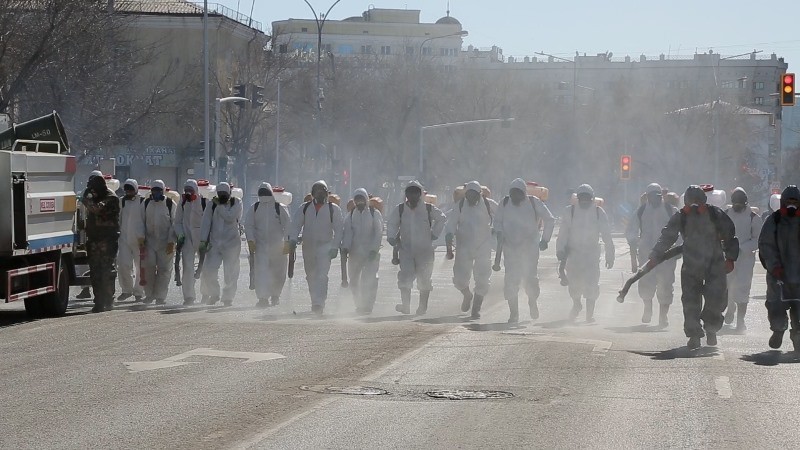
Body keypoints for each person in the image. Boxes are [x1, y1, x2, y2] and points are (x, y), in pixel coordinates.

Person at [649, 185, 738, 349]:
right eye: (692, 203)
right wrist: (656, 254)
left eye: (698, 202)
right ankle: (694, 334)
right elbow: (667, 236)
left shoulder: (715, 214)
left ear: (704, 201)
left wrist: (730, 258)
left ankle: (711, 329)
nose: (695, 206)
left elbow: (730, 235)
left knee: (716, 299)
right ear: (686, 203)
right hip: (691, 264)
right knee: (690, 301)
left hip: (715, 263)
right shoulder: (681, 216)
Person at [494, 178, 555, 323]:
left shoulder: (534, 202)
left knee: (530, 278)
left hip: (530, 249)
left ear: (523, 193)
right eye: (513, 193)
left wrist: (545, 240)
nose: (515, 196)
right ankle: (514, 314)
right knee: (511, 280)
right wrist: (499, 231)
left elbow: (550, 219)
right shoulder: (504, 203)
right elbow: (497, 221)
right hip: (510, 249)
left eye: (518, 193)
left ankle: (532, 302)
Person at [386, 180, 447, 315]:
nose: (412, 195)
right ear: (406, 194)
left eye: (415, 192)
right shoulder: (400, 209)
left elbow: (442, 218)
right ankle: (406, 306)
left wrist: (435, 234)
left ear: (420, 194)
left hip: (425, 250)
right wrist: (391, 237)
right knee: (405, 277)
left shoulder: (428, 209)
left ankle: (422, 307)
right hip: (406, 249)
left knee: (424, 278)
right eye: (410, 192)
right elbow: (391, 224)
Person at [556, 184, 614, 323]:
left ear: (592, 198)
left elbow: (606, 235)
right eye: (582, 197)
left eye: (587, 197)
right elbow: (563, 232)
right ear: (578, 198)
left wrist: (610, 254)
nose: (584, 200)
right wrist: (560, 250)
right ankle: (577, 304)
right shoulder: (569, 212)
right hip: (574, 254)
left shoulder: (599, 212)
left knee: (592, 283)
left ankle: (589, 315)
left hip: (591, 255)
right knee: (573, 283)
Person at [625, 183, 678, 326]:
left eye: (658, 196)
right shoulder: (641, 211)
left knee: (666, 285)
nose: (655, 199)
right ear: (647, 197)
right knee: (646, 283)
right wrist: (633, 249)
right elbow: (631, 231)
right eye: (652, 196)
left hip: (666, 255)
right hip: (646, 254)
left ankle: (663, 316)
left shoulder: (670, 210)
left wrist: (678, 248)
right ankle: (647, 309)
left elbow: (680, 229)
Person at [289, 180, 343, 315]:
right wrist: (293, 240)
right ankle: (315, 301)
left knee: (322, 276)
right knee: (311, 276)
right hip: (308, 247)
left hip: (326, 247)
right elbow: (296, 225)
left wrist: (335, 247)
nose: (319, 194)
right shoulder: (305, 208)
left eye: (322, 191)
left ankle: (319, 303)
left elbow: (339, 230)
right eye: (317, 191)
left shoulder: (333, 209)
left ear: (327, 193)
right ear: (312, 194)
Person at [758, 185, 800, 351]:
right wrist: (774, 266)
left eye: (795, 201)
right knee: (775, 306)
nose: (792, 204)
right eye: (788, 201)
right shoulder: (774, 220)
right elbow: (765, 245)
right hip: (778, 274)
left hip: (798, 276)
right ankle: (778, 330)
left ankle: (797, 335)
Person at [445, 181, 495, 319]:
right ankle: (467, 294)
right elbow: (451, 223)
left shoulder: (488, 204)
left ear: (480, 193)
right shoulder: (460, 205)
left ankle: (476, 309)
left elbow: (503, 215)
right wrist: (449, 238)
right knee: (459, 279)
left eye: (474, 194)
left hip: (483, 246)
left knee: (483, 278)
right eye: (469, 194)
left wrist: (500, 230)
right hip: (464, 246)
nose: (471, 197)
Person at [244, 182, 291, 308]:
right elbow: (248, 225)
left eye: (266, 192)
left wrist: (287, 241)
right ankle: (263, 297)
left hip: (277, 246)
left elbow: (287, 225)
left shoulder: (279, 207)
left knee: (278, 272)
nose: (264, 195)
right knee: (261, 272)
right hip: (260, 247)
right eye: (262, 193)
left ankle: (275, 295)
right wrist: (251, 240)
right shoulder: (254, 207)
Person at [724, 188, 763, 332]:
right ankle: (730, 308)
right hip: (728, 256)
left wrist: (741, 247)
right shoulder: (726, 214)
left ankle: (740, 322)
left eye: (740, 203)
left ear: (745, 202)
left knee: (743, 288)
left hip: (745, 258)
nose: (737, 205)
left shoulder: (754, 217)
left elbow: (758, 239)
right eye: (735, 203)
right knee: (728, 286)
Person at [81, 173, 121, 312]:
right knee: (95, 271)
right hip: (94, 239)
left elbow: (96, 209)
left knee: (106, 271)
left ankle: (108, 299)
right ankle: (98, 301)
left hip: (107, 240)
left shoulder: (110, 197)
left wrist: (85, 199)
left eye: (93, 189)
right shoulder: (96, 196)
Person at [199, 182, 243, 306]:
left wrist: (220, 206)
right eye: (220, 194)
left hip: (232, 243)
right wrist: (203, 240)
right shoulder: (211, 204)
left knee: (231, 272)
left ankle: (228, 297)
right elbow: (206, 223)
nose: (222, 196)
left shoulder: (236, 202)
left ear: (229, 193)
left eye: (225, 194)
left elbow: (230, 217)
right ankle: (214, 294)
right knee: (208, 270)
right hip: (215, 243)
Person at [341, 188, 384, 314]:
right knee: (353, 280)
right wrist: (346, 247)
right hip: (355, 253)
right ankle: (359, 304)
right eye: (357, 200)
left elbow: (378, 232)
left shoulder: (374, 213)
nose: (359, 202)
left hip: (371, 253)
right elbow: (348, 233)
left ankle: (368, 305)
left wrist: (374, 249)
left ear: (366, 199)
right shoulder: (350, 215)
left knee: (369, 279)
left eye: (361, 199)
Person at [141, 180, 176, 305]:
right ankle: (149, 295)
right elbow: (141, 222)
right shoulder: (145, 204)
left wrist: (171, 242)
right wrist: (141, 239)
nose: (156, 193)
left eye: (158, 191)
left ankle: (160, 296)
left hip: (166, 242)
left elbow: (174, 224)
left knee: (164, 270)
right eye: (154, 190)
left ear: (163, 191)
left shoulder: (170, 204)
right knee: (148, 269)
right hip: (150, 242)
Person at [173, 179, 208, 305]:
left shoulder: (204, 202)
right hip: (187, 239)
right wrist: (180, 234)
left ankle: (206, 293)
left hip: (201, 239)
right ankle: (189, 296)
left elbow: (208, 221)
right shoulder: (182, 203)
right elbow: (177, 222)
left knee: (204, 267)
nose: (188, 193)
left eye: (191, 191)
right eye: (186, 190)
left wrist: (206, 238)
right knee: (187, 267)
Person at [116, 179, 145, 303]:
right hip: (124, 238)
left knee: (141, 267)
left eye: (131, 189)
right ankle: (126, 290)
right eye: (126, 189)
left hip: (140, 240)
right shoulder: (121, 201)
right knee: (123, 265)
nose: (128, 191)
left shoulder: (143, 202)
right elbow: (118, 218)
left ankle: (139, 291)